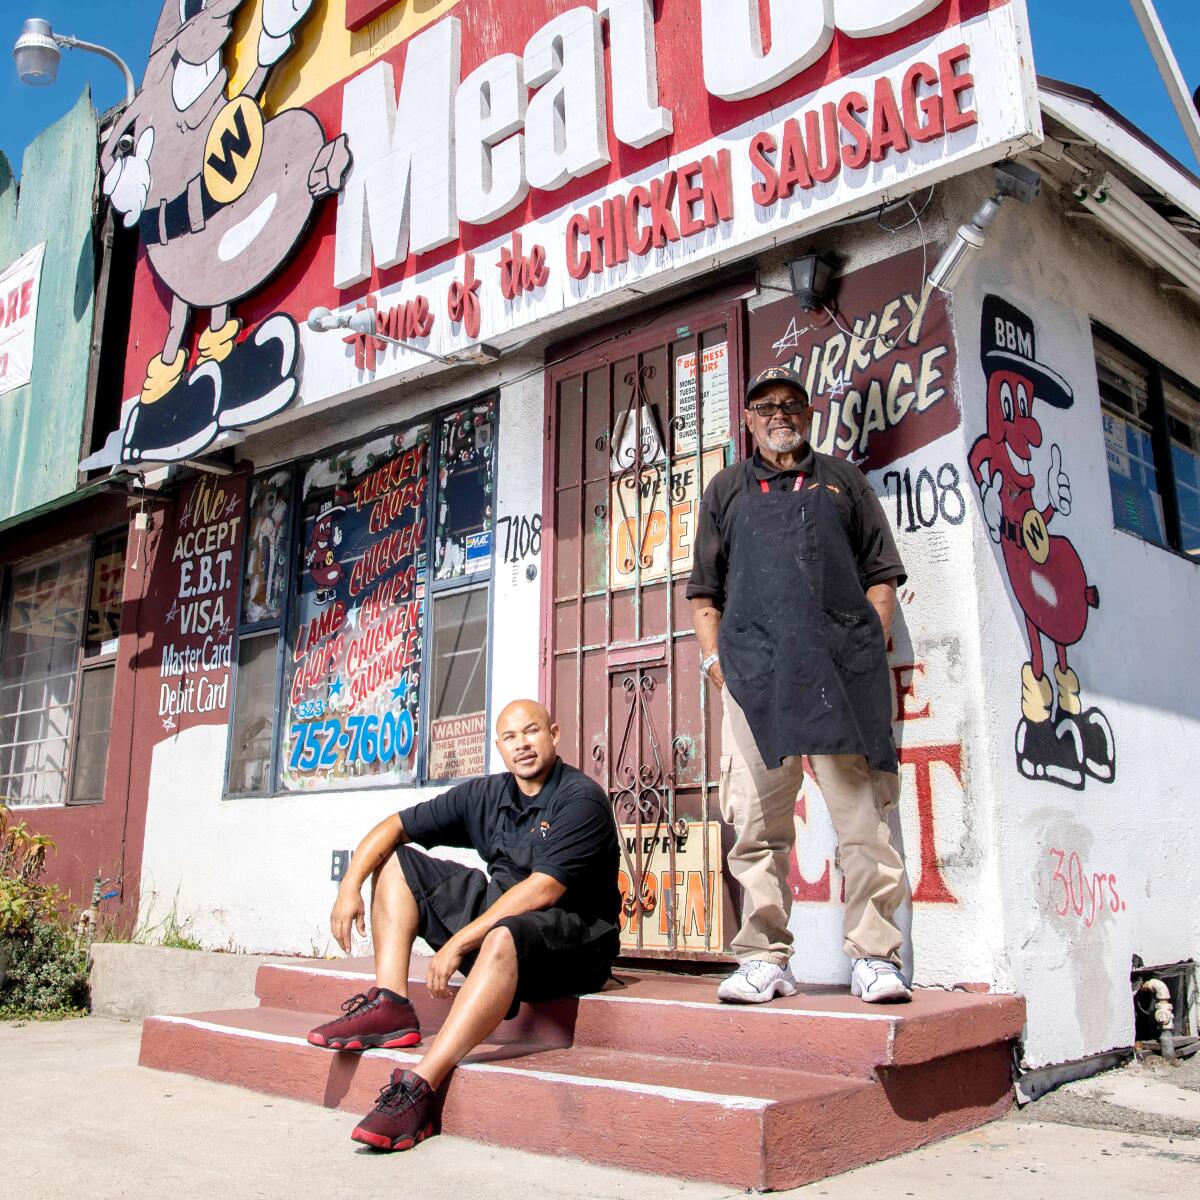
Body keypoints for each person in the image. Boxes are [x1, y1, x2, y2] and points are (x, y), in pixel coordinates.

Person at [687, 365, 912, 1006]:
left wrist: (869, 641)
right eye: (766, 406)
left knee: (864, 823)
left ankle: (874, 956)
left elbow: (881, 574)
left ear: (807, 417)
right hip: (756, 680)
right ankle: (764, 959)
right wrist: (717, 662)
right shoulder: (725, 490)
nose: (780, 414)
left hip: (841, 677)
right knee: (756, 827)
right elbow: (705, 592)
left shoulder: (845, 482)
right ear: (750, 420)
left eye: (792, 404)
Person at [307, 699, 620, 1150]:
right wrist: (349, 886)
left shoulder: (580, 799)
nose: (522, 745)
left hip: (575, 944)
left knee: (502, 931)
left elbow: (542, 892)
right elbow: (394, 826)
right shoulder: (490, 795)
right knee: (397, 864)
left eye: (531, 732)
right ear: (499, 747)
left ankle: (420, 1088)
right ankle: (391, 1005)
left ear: (554, 734)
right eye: (510, 738)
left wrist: (459, 942)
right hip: (504, 927)